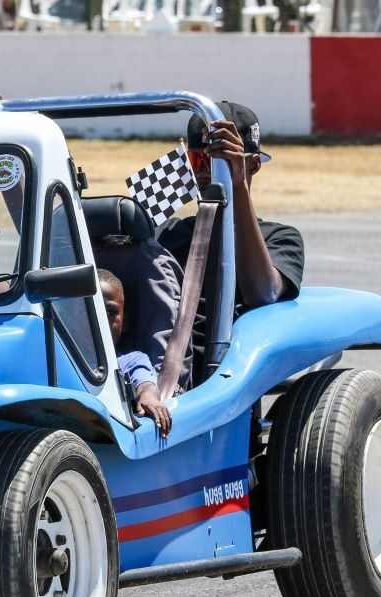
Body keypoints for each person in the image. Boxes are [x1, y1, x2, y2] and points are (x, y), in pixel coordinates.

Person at [157, 101, 304, 309]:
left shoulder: (280, 238)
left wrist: (238, 184)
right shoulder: (167, 233)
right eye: (196, 159)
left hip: (230, 340)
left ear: (252, 165)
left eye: (217, 160)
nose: (203, 171)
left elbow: (262, 294)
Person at [99, 269, 172, 437]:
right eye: (91, 310)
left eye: (110, 312)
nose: (101, 318)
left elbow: (145, 382)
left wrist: (149, 398)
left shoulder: (131, 361)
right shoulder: (58, 354)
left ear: (125, 322)